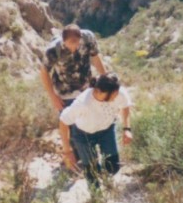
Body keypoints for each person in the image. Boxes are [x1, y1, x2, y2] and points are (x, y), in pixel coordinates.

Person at [41, 24, 107, 161]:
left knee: (88, 122)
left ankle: (90, 157)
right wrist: (53, 97)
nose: (74, 47)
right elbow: (44, 73)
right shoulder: (53, 50)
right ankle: (75, 158)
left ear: (80, 38)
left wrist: (105, 80)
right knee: (71, 127)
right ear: (63, 40)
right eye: (70, 44)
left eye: (76, 43)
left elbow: (95, 58)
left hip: (86, 89)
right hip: (65, 93)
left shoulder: (88, 38)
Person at [58, 73, 133, 182]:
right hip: (83, 135)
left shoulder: (118, 92)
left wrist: (127, 129)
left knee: (113, 165)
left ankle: (109, 187)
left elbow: (125, 106)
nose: (115, 97)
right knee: (91, 170)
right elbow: (63, 121)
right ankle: (96, 195)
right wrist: (67, 151)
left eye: (116, 94)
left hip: (107, 130)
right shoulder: (82, 103)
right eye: (112, 95)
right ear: (98, 91)